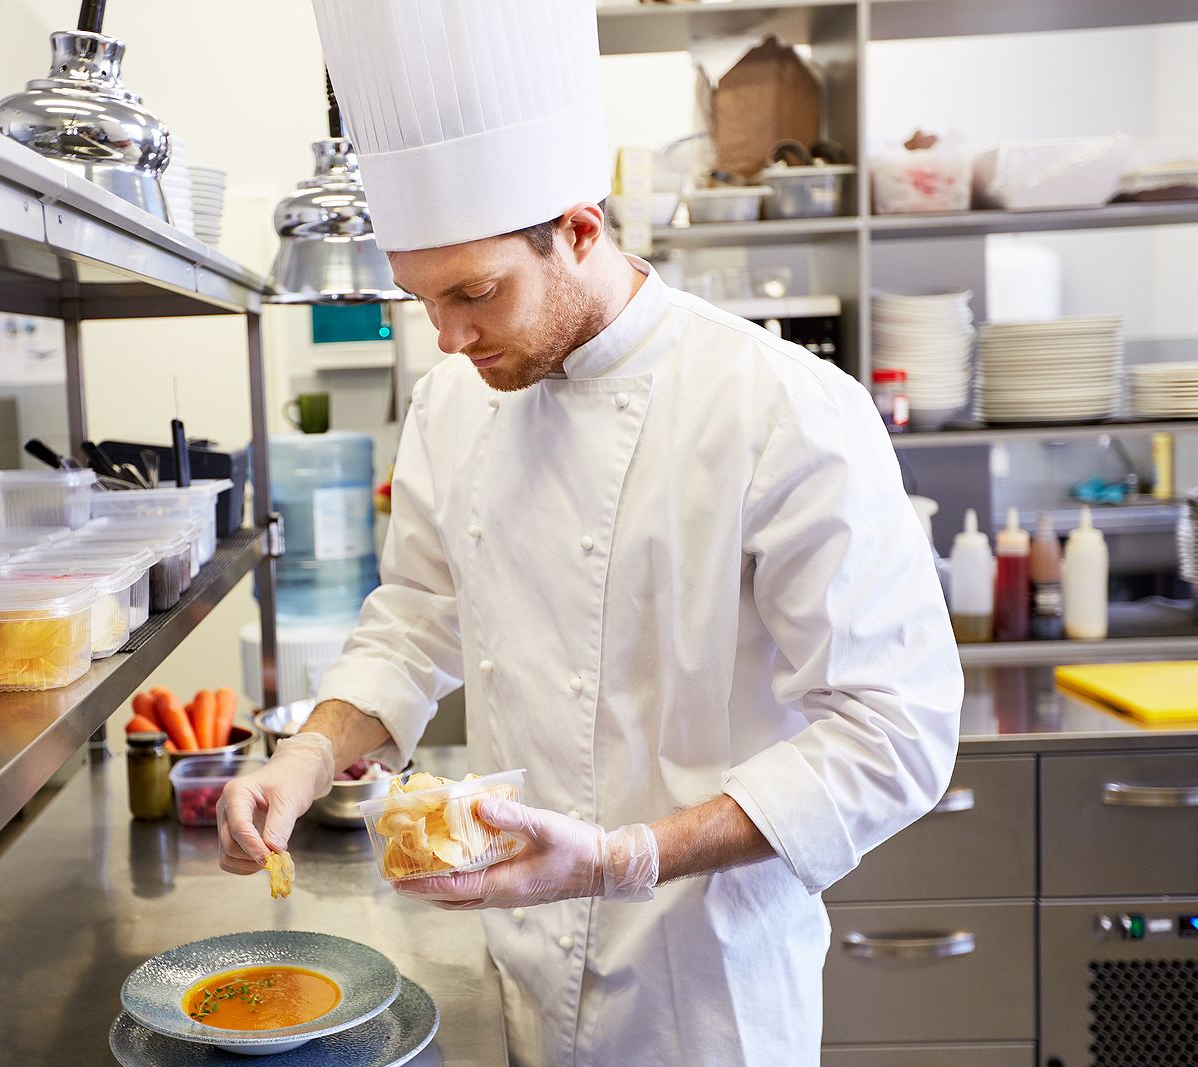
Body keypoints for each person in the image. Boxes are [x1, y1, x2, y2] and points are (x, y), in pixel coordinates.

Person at [218, 2, 964, 1063]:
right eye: (423, 300)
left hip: (706, 996)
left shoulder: (779, 408)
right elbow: (417, 621)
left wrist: (620, 857)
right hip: (511, 971)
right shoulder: (452, 402)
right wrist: (304, 757)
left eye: (476, 293)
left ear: (579, 226)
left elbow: (894, 734)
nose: (453, 335)